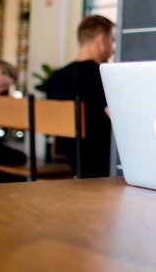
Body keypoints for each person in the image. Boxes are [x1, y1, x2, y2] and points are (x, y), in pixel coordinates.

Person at [47, 15, 115, 177]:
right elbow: (116, 117)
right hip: (99, 160)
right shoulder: (102, 77)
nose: (112, 48)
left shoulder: (57, 76)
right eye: (111, 41)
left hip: (66, 156)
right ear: (101, 39)